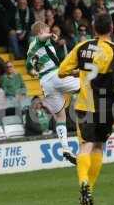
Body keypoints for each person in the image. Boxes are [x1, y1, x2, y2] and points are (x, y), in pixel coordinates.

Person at [58, 13, 114, 205]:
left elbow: (62, 71)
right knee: (99, 146)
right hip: (106, 106)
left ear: (93, 27)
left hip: (84, 105)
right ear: (111, 27)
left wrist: (81, 71)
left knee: (85, 146)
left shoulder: (81, 47)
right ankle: (89, 187)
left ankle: (83, 181)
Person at [27, 21, 79, 165]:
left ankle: (65, 148)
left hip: (45, 82)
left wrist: (36, 72)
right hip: (54, 75)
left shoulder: (30, 50)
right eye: (47, 29)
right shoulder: (37, 40)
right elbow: (41, 38)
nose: (49, 31)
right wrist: (50, 35)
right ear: (40, 31)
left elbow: (29, 69)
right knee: (87, 85)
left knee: (60, 116)